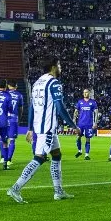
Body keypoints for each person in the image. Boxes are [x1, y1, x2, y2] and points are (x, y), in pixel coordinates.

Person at [7, 57, 77, 204]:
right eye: (58, 65)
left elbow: (31, 107)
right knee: (39, 157)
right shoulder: (54, 83)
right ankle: (15, 188)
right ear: (53, 67)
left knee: (56, 155)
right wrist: (73, 125)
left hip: (40, 126)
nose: (60, 67)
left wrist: (30, 128)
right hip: (47, 127)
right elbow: (59, 106)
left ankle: (58, 191)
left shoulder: (38, 83)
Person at [74, 88, 98, 160]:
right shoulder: (80, 102)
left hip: (89, 124)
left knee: (88, 139)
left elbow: (96, 113)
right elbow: (75, 111)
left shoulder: (93, 102)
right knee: (78, 137)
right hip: (80, 123)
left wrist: (95, 123)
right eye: (84, 92)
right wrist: (74, 120)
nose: (85, 93)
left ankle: (86, 155)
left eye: (86, 92)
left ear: (89, 93)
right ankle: (80, 150)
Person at [5, 81, 24, 166]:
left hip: (4, 118)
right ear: (16, 86)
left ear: (8, 86)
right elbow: (21, 109)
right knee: (12, 140)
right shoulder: (19, 95)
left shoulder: (4, 94)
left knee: (3, 139)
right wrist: (19, 119)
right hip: (13, 119)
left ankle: (3, 158)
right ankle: (8, 159)